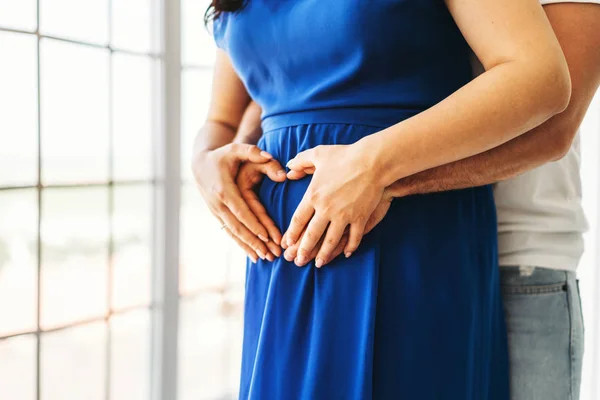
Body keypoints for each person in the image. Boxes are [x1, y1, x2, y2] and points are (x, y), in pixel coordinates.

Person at [193, 0, 571, 398]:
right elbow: (221, 120)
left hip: (407, 236)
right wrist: (203, 162)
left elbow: (539, 76)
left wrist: (374, 165)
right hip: (281, 265)